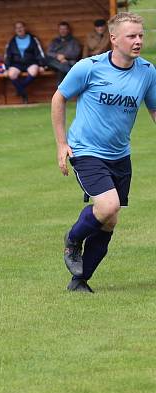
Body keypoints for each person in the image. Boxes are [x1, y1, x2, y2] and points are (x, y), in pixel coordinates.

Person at [51, 12, 156, 293]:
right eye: (131, 36)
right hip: (86, 151)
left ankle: (80, 280)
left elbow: (154, 108)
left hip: (120, 155)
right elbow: (59, 97)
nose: (138, 41)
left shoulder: (147, 71)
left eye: (140, 35)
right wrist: (62, 144)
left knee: (110, 220)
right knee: (107, 206)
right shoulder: (89, 67)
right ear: (114, 39)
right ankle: (72, 239)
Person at [4, 21, 46, 104]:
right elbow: (7, 55)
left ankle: (20, 89)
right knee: (11, 74)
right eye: (17, 28)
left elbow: (39, 52)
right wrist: (6, 68)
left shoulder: (33, 39)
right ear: (15, 30)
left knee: (34, 72)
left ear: (25, 28)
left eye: (21, 27)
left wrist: (42, 65)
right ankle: (23, 93)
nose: (19, 29)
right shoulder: (12, 41)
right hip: (16, 63)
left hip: (31, 62)